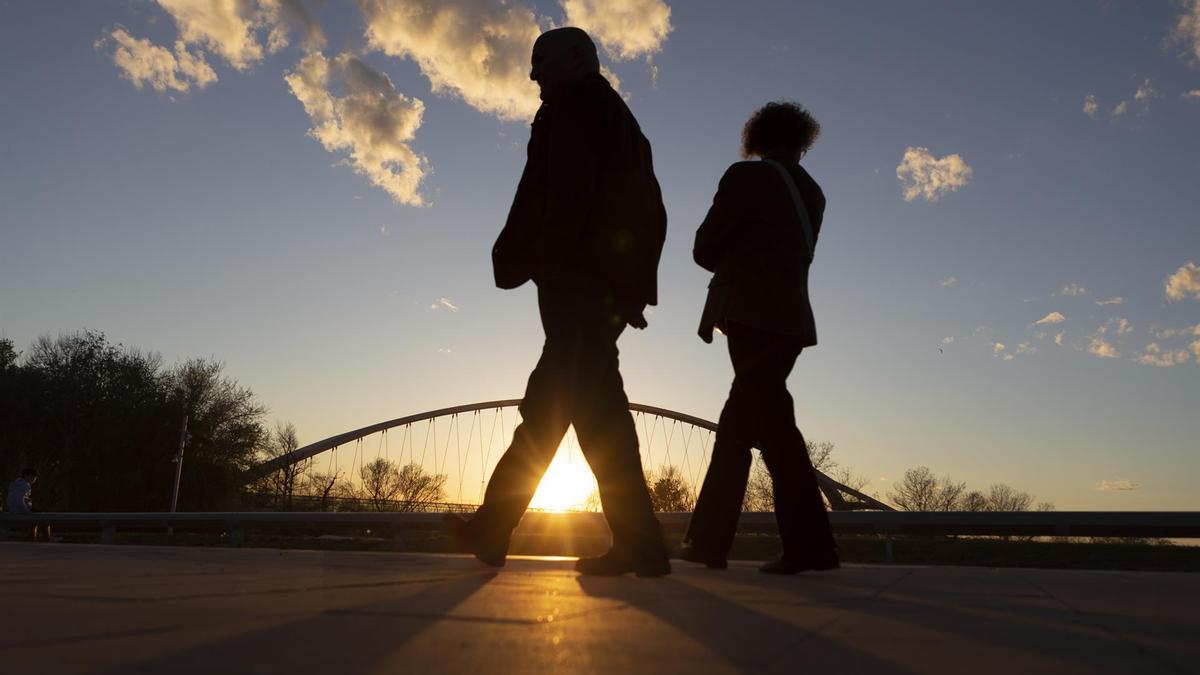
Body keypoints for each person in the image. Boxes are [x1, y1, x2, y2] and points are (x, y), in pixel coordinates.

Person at [446, 27, 670, 577]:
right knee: (597, 415)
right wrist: (632, 284)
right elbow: (647, 210)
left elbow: (567, 195)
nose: (532, 74)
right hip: (603, 283)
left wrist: (546, 261)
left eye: (540, 60)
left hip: (580, 281)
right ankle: (640, 545)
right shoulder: (618, 119)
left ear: (577, 59)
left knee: (549, 405)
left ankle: (494, 526)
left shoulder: (575, 105)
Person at [680, 101, 839, 574]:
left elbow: (704, 247)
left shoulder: (745, 177)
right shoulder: (813, 192)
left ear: (758, 137)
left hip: (751, 314)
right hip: (791, 320)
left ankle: (809, 547)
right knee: (742, 428)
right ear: (801, 140)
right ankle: (709, 542)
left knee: (773, 430)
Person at [6, 467, 50, 542]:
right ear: (26, 476)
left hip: (14, 510)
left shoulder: (17, 483)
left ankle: (33, 537)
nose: (34, 478)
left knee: (37, 517)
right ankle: (45, 538)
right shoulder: (25, 485)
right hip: (20, 511)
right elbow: (19, 499)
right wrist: (26, 511)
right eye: (33, 476)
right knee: (44, 518)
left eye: (35, 477)